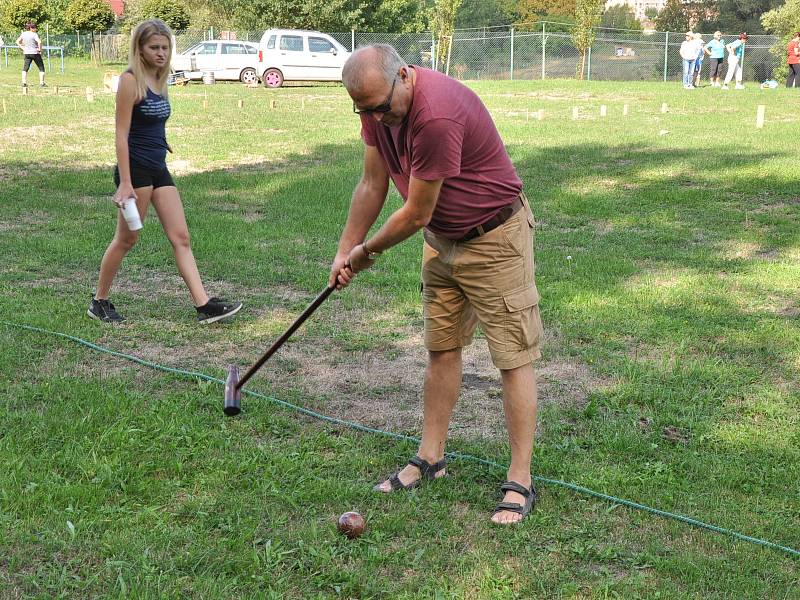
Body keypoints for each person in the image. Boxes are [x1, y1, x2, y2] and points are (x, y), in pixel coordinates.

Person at [329, 44, 543, 525]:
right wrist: (346, 247)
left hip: (494, 238)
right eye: (363, 110)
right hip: (442, 241)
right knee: (441, 348)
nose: (376, 118)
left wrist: (366, 255)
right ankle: (431, 457)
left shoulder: (436, 114)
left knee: (512, 356)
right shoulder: (376, 105)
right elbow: (371, 183)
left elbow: (415, 211)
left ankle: (521, 478)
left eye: (382, 107)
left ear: (404, 76)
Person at [89, 19, 242, 324]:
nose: (161, 52)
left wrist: (162, 141)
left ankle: (203, 305)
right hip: (135, 171)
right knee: (127, 239)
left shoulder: (161, 78)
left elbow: (153, 120)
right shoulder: (130, 80)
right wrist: (126, 183)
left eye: (165, 47)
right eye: (154, 47)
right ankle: (99, 301)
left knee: (181, 236)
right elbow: (121, 133)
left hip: (158, 167)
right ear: (140, 49)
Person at [16, 22, 46, 88]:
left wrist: (22, 48)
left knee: (25, 68)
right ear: (31, 28)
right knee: (41, 68)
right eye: (34, 28)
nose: (36, 29)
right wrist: (40, 50)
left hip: (26, 53)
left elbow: (17, 41)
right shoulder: (34, 34)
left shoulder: (23, 34)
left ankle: (24, 82)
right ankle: (42, 83)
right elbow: (40, 42)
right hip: (35, 53)